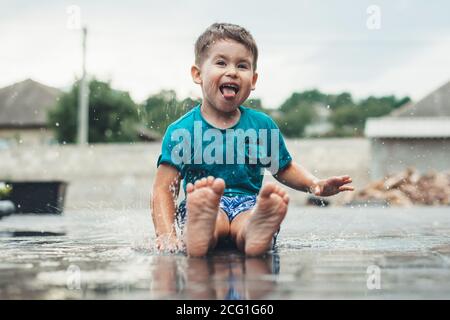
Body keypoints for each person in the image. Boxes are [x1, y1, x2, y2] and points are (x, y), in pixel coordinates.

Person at [151, 22, 354, 257]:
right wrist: (166, 234)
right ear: (197, 74)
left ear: (254, 79)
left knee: (248, 221)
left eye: (242, 65)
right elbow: (163, 188)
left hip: (246, 206)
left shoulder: (261, 127)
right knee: (211, 218)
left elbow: (284, 168)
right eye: (221, 63)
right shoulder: (181, 131)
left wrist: (315, 184)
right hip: (205, 207)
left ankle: (257, 229)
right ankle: (201, 229)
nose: (232, 71)